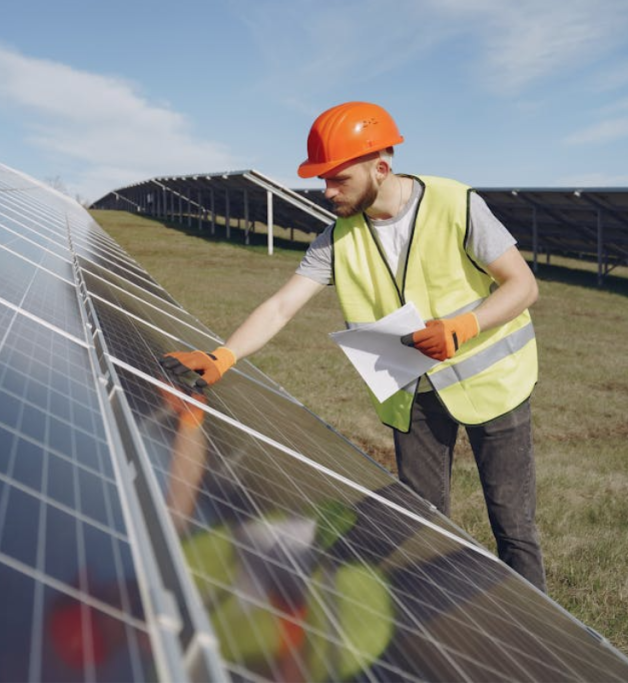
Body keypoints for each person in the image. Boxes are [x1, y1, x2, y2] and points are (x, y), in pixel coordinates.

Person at [161, 101, 546, 592]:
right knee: (419, 520)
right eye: (322, 179)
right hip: (413, 393)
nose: (326, 191)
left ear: (380, 168)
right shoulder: (335, 238)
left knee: (514, 526)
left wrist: (462, 325)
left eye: (337, 178)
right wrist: (224, 356)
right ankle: (433, 628)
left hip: (494, 384)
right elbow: (282, 306)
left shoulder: (455, 203)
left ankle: (540, 635)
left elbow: (522, 285)